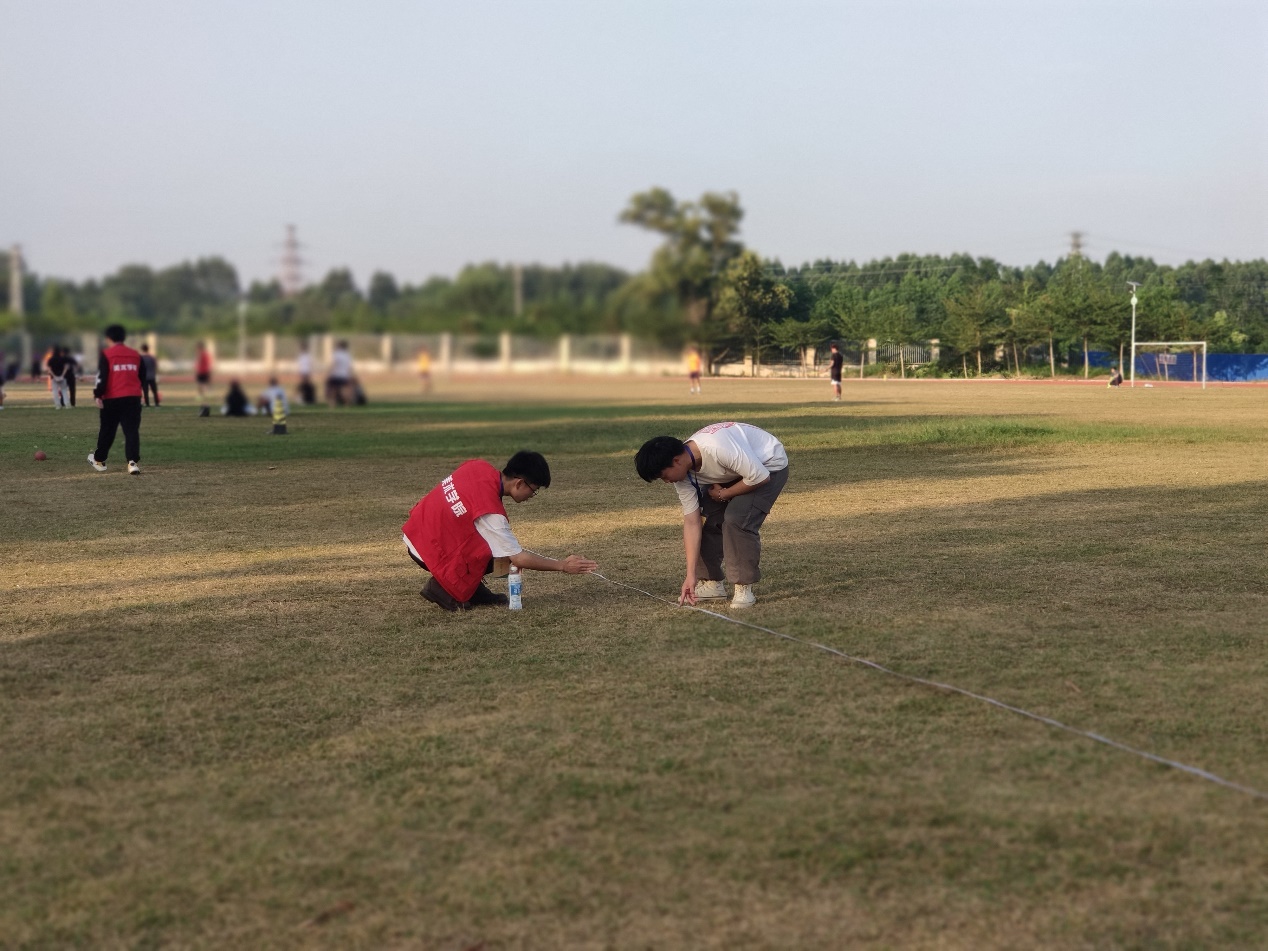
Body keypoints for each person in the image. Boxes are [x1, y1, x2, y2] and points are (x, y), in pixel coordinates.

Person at [402, 450, 598, 612]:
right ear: (519, 483)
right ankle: (443, 588)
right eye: (534, 490)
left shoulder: (478, 466)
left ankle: (472, 588)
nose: (532, 495)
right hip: (425, 549)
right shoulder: (490, 511)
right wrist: (562, 565)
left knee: (498, 549)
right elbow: (518, 558)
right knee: (503, 554)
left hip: (417, 530)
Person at [635, 422, 790, 610]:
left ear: (676, 461)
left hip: (768, 466)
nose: (666, 482)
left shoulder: (716, 448)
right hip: (736, 471)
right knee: (706, 517)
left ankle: (743, 587)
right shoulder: (684, 476)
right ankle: (711, 583)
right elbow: (692, 522)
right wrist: (690, 575)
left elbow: (760, 476)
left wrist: (725, 494)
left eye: (664, 476)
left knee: (736, 518)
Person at [88, 324, 145, 475]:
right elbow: (142, 376)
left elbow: (102, 377)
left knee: (108, 430)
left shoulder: (107, 354)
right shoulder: (135, 354)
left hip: (112, 398)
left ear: (108, 338)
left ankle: (99, 460)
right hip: (132, 397)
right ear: (123, 337)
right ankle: (132, 463)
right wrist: (140, 393)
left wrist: (98, 394)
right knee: (131, 431)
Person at [327, 340, 354, 406]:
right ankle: (346, 404)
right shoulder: (347, 355)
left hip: (336, 374)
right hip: (344, 375)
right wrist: (350, 375)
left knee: (333, 389)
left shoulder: (336, 354)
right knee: (345, 390)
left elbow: (334, 364)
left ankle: (332, 404)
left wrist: (329, 372)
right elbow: (349, 367)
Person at [194, 340, 213, 416]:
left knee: (203, 384)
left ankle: (206, 395)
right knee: (200, 384)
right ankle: (201, 395)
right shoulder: (199, 354)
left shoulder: (204, 354)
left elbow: (207, 362)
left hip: (203, 371)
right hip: (200, 371)